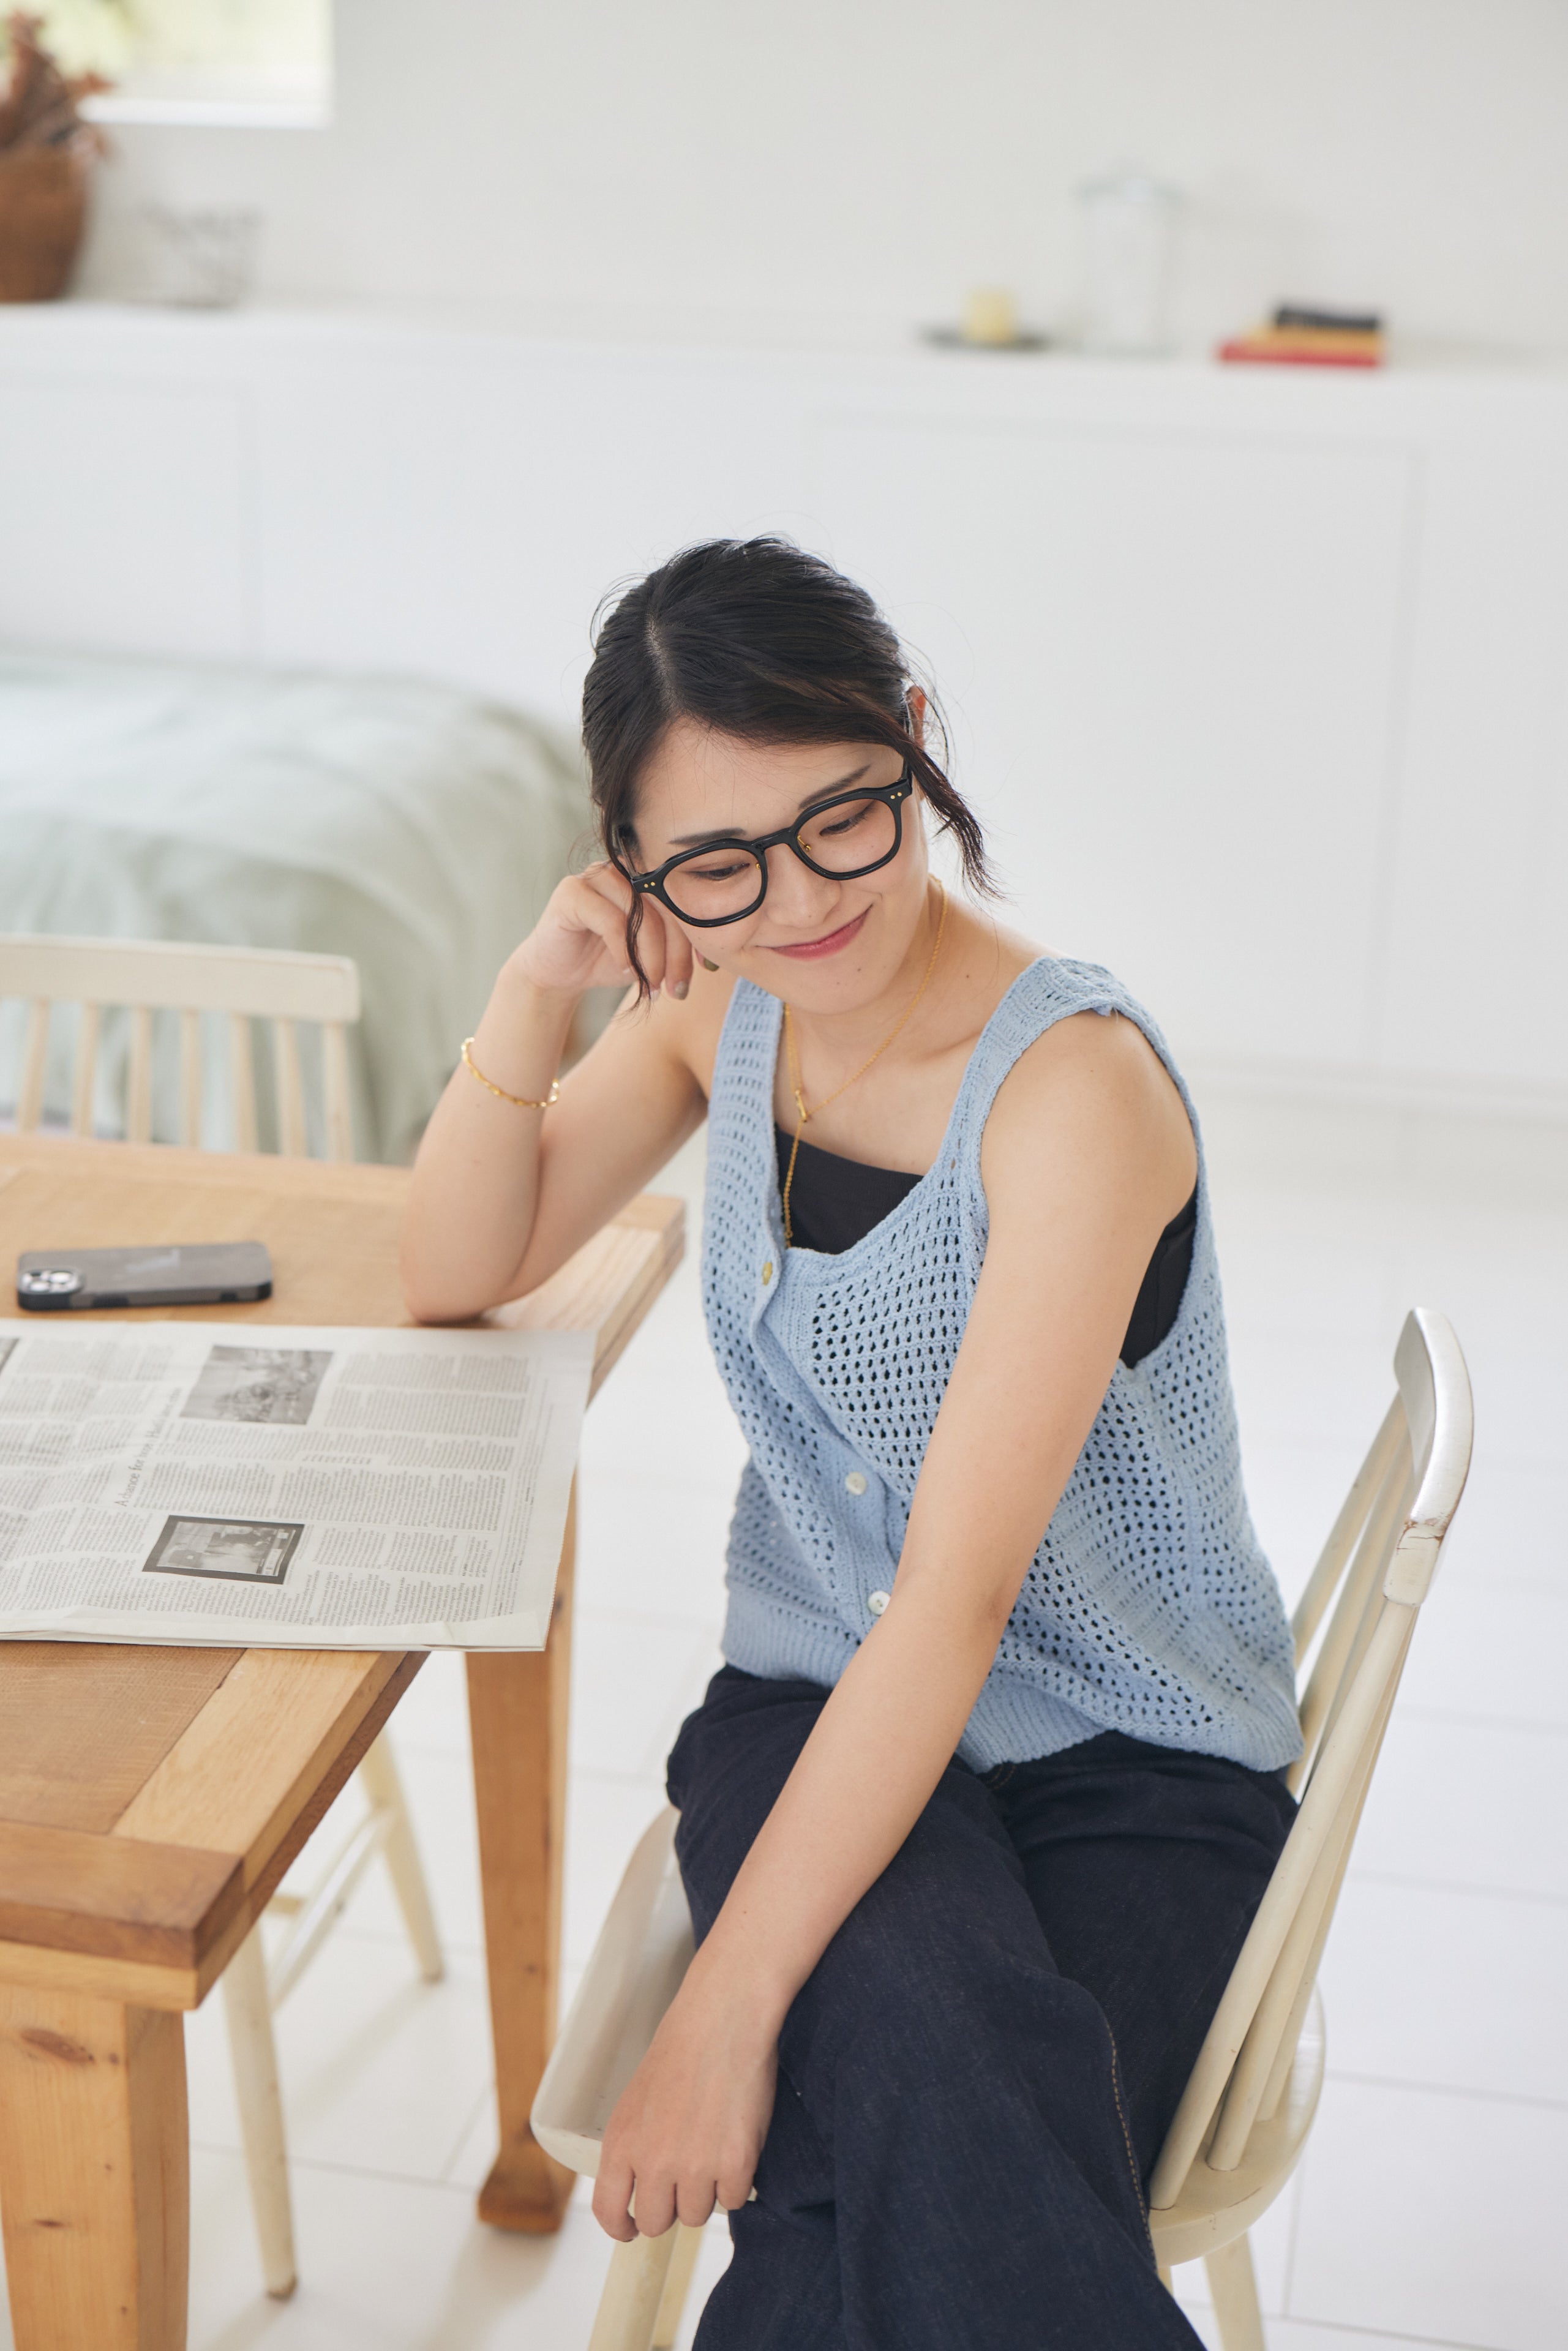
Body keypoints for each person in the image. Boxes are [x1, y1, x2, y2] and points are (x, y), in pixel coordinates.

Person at [401, 539, 1302, 2350]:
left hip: (1123, 1756)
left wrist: (722, 2019)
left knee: (864, 2179)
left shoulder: (1069, 1092)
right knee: (959, 2108)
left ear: (908, 741)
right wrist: (531, 988)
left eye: (844, 819)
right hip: (809, 1700)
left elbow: (955, 1608)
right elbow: (454, 1265)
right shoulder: (712, 997)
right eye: (714, 862)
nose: (801, 901)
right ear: (632, 860)